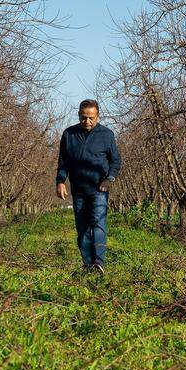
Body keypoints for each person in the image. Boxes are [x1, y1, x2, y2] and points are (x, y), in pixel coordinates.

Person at [56, 99, 120, 272]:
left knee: (98, 224)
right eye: (84, 117)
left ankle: (99, 263)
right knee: (82, 228)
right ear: (78, 115)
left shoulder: (107, 135)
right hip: (78, 189)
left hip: (100, 188)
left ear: (97, 116)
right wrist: (60, 181)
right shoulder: (68, 134)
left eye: (91, 118)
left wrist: (109, 179)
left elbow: (115, 161)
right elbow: (63, 162)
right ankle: (87, 263)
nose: (87, 121)